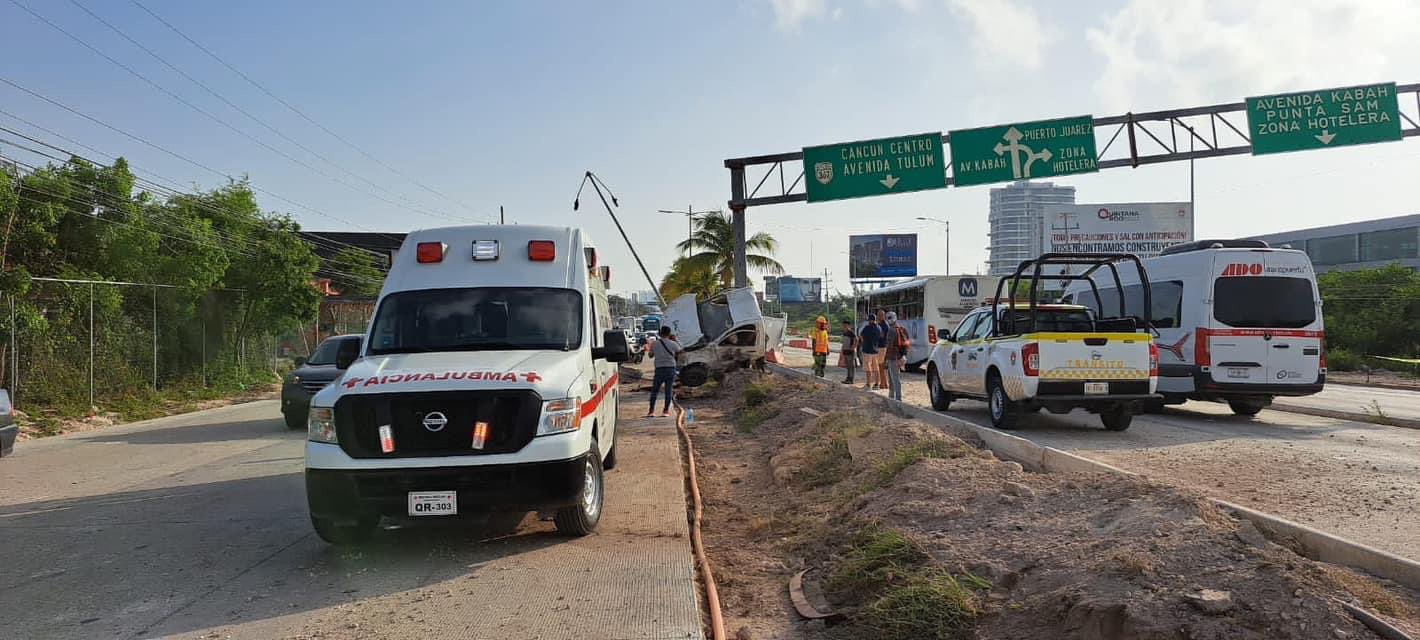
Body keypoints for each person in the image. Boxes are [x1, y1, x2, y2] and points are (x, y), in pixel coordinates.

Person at [648, 326, 682, 418]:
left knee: (655, 390)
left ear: (660, 333)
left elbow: (650, 355)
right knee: (668, 390)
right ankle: (665, 411)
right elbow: (680, 351)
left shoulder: (654, 344)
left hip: (659, 369)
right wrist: (675, 340)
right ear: (669, 333)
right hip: (670, 368)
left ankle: (651, 411)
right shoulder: (673, 343)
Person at [883, 311, 911, 401]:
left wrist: (886, 359)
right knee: (893, 378)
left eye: (889, 318)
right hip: (900, 356)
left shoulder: (891, 330)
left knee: (894, 379)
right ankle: (892, 397)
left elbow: (889, 346)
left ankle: (897, 398)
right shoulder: (901, 328)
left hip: (893, 357)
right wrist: (903, 355)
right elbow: (907, 342)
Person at [858, 313, 883, 390]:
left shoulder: (867, 327)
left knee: (868, 367)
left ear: (870, 320)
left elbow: (861, 336)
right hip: (875, 350)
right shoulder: (879, 328)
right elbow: (881, 336)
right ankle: (877, 384)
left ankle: (868, 385)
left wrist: (863, 342)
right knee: (876, 368)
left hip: (867, 350)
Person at [838, 318, 857, 384]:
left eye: (846, 325)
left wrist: (853, 347)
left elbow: (856, 340)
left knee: (851, 366)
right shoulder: (844, 333)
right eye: (843, 325)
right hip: (845, 351)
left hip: (850, 352)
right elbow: (843, 342)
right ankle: (848, 378)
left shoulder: (851, 333)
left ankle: (851, 379)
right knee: (848, 366)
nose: (844, 326)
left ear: (849, 326)